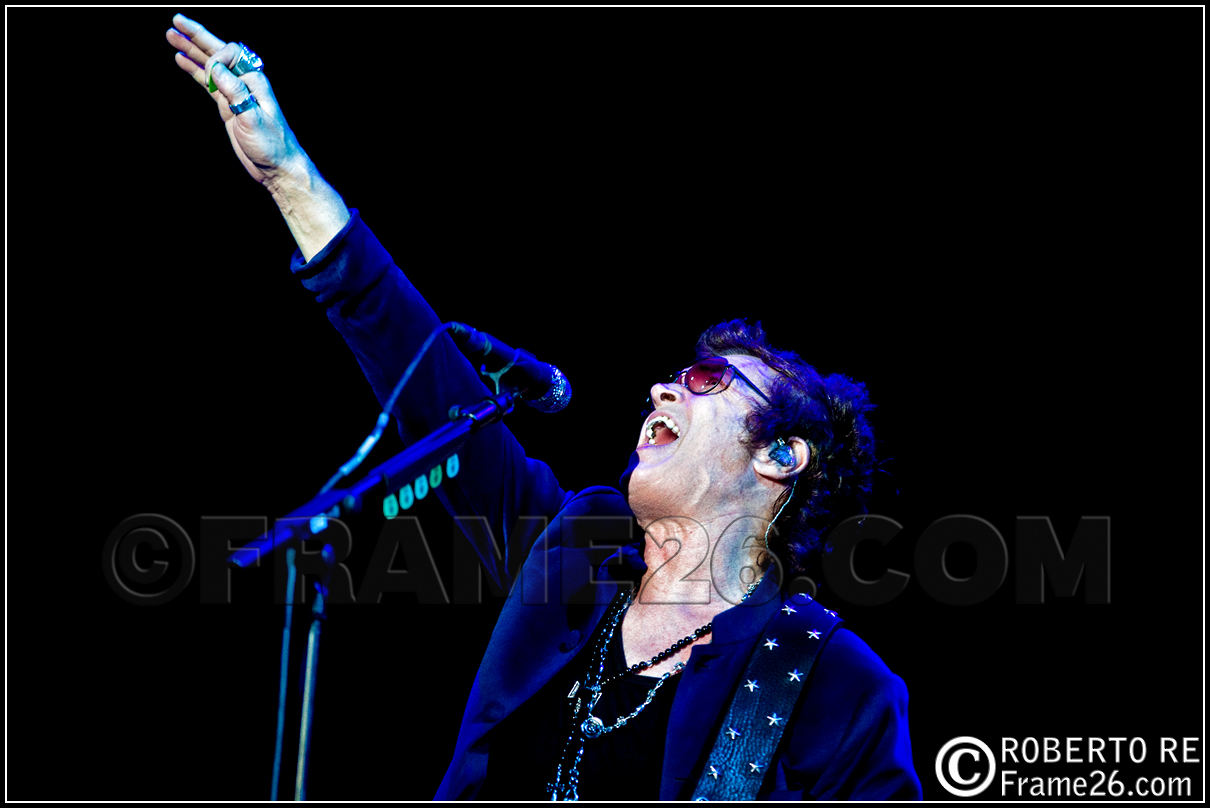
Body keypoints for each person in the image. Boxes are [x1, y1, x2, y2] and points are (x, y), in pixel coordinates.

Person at [166, 15, 922, 800]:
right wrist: (288, 174)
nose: (662, 389)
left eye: (705, 380)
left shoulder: (836, 684)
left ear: (780, 455)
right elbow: (430, 385)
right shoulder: (570, 552)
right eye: (672, 376)